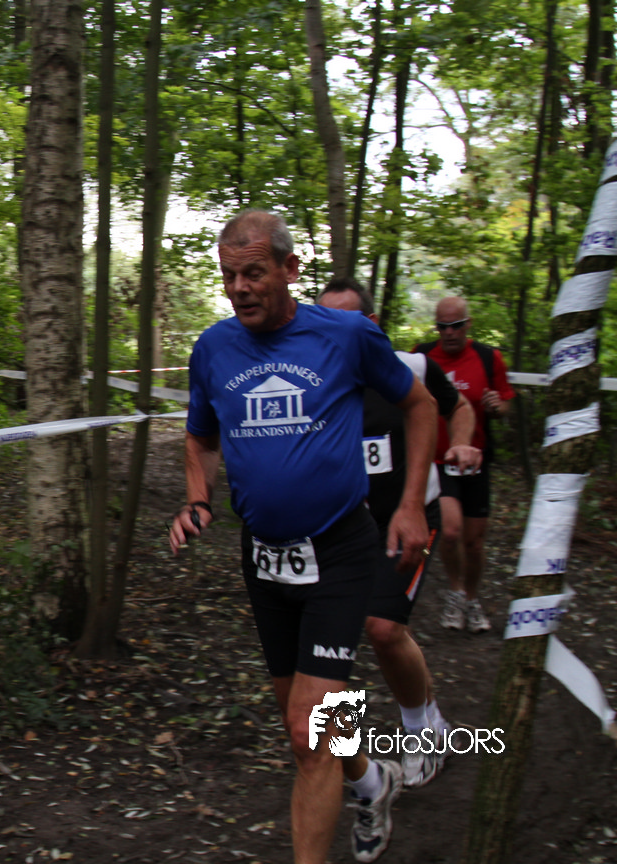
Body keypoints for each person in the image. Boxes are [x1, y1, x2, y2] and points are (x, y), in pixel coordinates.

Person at [170, 210, 437, 864]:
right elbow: (200, 436)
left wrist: (410, 505)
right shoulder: (213, 349)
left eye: (254, 272)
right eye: (229, 275)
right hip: (264, 560)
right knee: (307, 724)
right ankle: (371, 783)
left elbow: (421, 405)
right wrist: (198, 499)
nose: (239, 288)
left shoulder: (346, 335)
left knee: (307, 732)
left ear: (290, 269)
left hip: (340, 550)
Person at [318, 278, 481, 790]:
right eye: (325, 321)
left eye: (346, 320)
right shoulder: (314, 381)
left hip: (409, 519)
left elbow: (459, 407)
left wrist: (461, 444)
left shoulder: (411, 368)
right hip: (343, 529)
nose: (334, 332)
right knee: (345, 643)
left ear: (371, 324)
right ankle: (416, 732)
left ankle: (420, 735)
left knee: (384, 629)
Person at [411, 297, 515, 634]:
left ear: (467, 324)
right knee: (451, 531)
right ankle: (455, 592)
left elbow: (505, 403)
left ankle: (471, 597)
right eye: (442, 327)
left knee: (474, 541)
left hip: (475, 459)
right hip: (437, 459)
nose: (449, 333)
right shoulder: (422, 356)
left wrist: (497, 406)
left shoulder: (487, 357)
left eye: (456, 326)